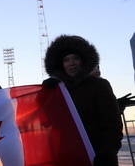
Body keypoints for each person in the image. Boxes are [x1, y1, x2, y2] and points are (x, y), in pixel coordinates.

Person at [43, 35, 123, 166]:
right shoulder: (59, 91)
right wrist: (46, 95)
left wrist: (107, 154)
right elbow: (50, 124)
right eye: (66, 60)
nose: (71, 63)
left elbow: (113, 125)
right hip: (69, 157)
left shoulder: (100, 85)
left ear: (85, 60)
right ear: (61, 65)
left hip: (99, 157)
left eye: (76, 58)